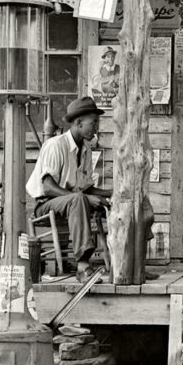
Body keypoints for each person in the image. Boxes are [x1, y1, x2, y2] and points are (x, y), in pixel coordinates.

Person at [26, 96, 153, 282]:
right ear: (79, 123)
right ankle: (83, 266)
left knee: (128, 201)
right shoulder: (55, 145)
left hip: (73, 202)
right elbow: (48, 187)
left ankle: (134, 265)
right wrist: (84, 198)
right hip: (45, 205)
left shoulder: (85, 148)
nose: (96, 127)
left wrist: (115, 194)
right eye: (93, 123)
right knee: (79, 199)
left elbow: (85, 188)